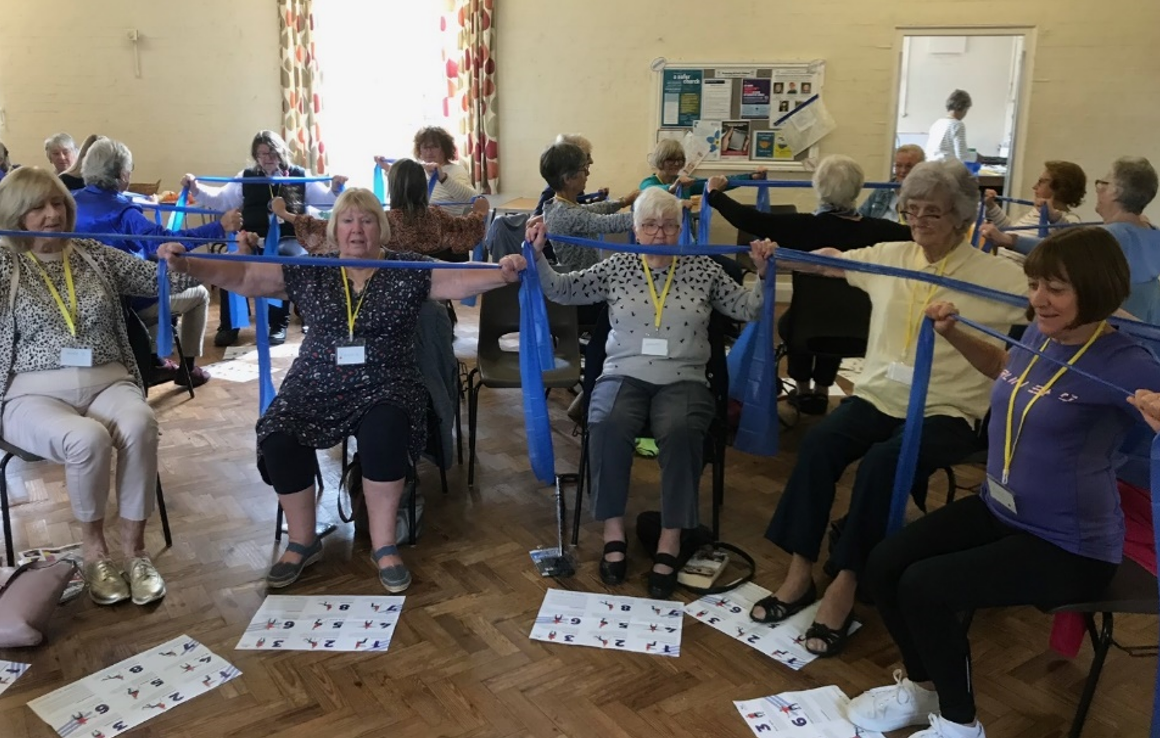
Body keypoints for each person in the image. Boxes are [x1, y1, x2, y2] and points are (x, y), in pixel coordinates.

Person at [847, 227, 1160, 738]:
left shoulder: (1128, 364)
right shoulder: (1043, 331)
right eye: (1035, 283)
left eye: (1055, 288)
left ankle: (959, 724)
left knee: (926, 588)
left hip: (1070, 546)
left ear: (1096, 289)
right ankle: (925, 689)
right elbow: (1003, 367)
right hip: (1002, 510)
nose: (1039, 298)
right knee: (884, 564)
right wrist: (953, 334)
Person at [157, 188, 526, 593]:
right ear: (334, 229)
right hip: (317, 375)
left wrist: (503, 272)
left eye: (367, 220)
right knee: (278, 433)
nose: (357, 229)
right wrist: (189, 263)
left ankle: (384, 546)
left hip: (386, 375)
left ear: (381, 229)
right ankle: (303, 540)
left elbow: (457, 278)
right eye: (348, 221)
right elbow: (246, 276)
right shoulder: (313, 268)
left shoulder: (406, 267)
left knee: (386, 430)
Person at [752, 160, 1027, 657]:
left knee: (884, 464)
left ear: (962, 218)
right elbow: (830, 260)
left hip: (947, 410)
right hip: (880, 397)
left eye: (934, 213)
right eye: (912, 209)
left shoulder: (999, 277)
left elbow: (1063, 304)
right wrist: (775, 257)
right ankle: (799, 572)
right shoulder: (892, 255)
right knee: (818, 445)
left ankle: (846, 581)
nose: (919, 221)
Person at [530, 187, 773, 598]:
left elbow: (748, 308)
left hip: (684, 376)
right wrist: (536, 253)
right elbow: (563, 290)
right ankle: (613, 534)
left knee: (680, 430)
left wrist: (764, 273)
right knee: (605, 421)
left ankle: (670, 539)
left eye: (668, 225)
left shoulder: (704, 269)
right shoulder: (617, 265)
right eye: (649, 225)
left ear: (681, 230)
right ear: (635, 231)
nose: (659, 234)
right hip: (623, 373)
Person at [0, 167, 195, 607]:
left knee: (141, 423)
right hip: (31, 393)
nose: (52, 214)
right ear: (14, 214)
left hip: (108, 379)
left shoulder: (93, 253)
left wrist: (176, 259)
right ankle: (94, 553)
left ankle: (136, 552)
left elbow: (164, 282)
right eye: (37, 207)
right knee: (88, 439)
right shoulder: (5, 262)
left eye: (57, 204)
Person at [705, 155, 911, 413]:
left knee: (801, 318)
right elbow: (917, 233)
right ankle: (823, 390)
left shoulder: (802, 227)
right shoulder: (880, 231)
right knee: (838, 314)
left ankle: (803, 390)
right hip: (862, 329)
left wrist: (714, 194)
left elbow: (750, 219)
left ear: (819, 188)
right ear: (858, 189)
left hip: (805, 328)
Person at [73, 138, 242, 387]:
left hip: (80, 298)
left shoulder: (69, 201)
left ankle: (155, 361)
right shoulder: (123, 211)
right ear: (122, 174)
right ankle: (188, 369)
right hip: (125, 302)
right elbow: (166, 244)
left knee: (154, 280)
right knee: (200, 295)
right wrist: (220, 226)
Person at [181, 130, 348, 346]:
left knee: (284, 260)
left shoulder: (299, 174)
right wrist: (195, 187)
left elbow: (325, 201)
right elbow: (220, 200)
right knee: (229, 263)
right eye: (261, 154)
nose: (267, 158)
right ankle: (229, 326)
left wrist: (334, 188)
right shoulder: (245, 176)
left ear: (281, 152)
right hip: (252, 237)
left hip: (289, 239)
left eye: (271, 153)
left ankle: (278, 324)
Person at [989, 156, 1160, 323]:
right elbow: (1080, 241)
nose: (1098, 188)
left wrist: (1008, 240)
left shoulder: (1109, 236)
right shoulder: (1152, 232)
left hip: (1119, 332)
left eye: (1103, 183)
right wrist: (1057, 218)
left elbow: (1063, 250)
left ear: (1116, 191)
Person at [275, 158, 488, 260]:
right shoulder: (438, 216)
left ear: (392, 188)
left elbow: (325, 228)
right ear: (423, 186)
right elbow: (467, 227)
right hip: (436, 287)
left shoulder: (383, 221)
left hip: (391, 290)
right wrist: (479, 212)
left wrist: (285, 214)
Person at [540, 141, 640, 272]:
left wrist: (624, 201)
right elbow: (608, 223)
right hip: (582, 283)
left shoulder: (560, 205)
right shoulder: (566, 214)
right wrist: (652, 215)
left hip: (586, 275)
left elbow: (594, 209)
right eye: (584, 169)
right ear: (568, 179)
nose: (588, 174)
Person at [978, 160, 1086, 261]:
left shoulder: (1068, 219)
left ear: (1060, 186)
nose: (1034, 187)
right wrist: (991, 206)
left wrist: (1054, 217)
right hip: (1004, 265)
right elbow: (1011, 230)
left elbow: (1074, 243)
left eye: (1041, 182)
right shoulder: (1035, 212)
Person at [639, 139, 765, 198]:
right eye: (671, 160)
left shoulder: (685, 182)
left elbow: (714, 183)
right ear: (660, 160)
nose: (676, 164)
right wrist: (673, 187)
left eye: (680, 160)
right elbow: (652, 191)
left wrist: (751, 177)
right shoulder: (648, 183)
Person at [407, 126, 477, 215]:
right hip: (423, 224)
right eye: (425, 147)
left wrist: (443, 178)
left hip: (447, 225)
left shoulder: (456, 170)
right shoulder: (418, 172)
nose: (429, 152)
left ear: (444, 149)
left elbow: (472, 199)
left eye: (434, 147)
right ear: (419, 150)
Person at [534, 134, 609, 216]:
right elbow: (536, 218)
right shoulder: (554, 191)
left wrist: (596, 200)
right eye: (587, 156)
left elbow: (580, 211)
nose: (591, 161)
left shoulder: (571, 187)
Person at [857, 145, 926, 222]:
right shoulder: (881, 190)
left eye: (909, 166)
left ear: (921, 168)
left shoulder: (926, 196)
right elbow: (859, 217)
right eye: (898, 165)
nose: (903, 170)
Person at [923, 90, 972, 162]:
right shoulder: (957, 125)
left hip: (930, 165)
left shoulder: (937, 123)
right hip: (946, 167)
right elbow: (962, 156)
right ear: (963, 108)